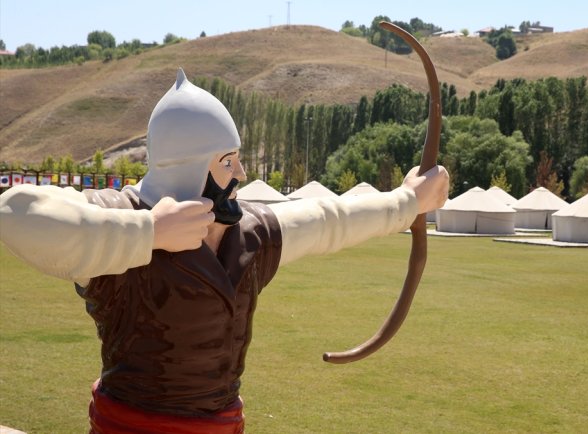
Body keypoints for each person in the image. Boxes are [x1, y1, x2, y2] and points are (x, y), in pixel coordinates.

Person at [0, 68, 449, 433]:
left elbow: (328, 220)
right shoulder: (124, 212)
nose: (240, 172)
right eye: (227, 161)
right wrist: (148, 232)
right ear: (193, 167)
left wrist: (408, 201)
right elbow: (15, 212)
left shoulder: (249, 230)